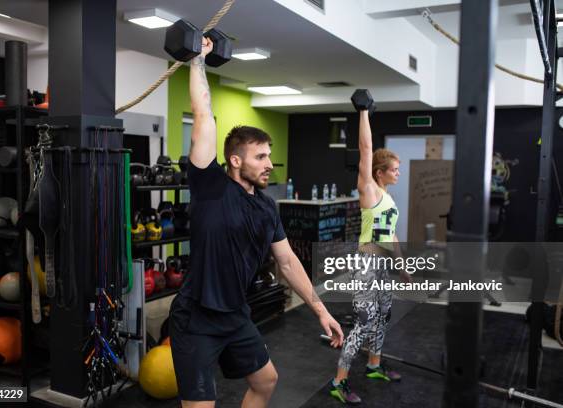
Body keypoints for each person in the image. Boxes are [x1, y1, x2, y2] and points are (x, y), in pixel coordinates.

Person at [169, 36, 344, 408]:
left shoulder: (266, 207)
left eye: (270, 155)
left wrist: (321, 310)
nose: (269, 163)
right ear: (235, 160)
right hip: (196, 318)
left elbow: (288, 261)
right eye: (261, 156)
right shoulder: (210, 186)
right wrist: (197, 60)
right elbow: (202, 115)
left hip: (235, 315)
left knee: (266, 381)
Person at [328, 104, 412, 405]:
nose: (399, 172)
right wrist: (363, 112)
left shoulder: (388, 198)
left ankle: (374, 365)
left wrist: (401, 267)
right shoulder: (370, 191)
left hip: (384, 267)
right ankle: (338, 382)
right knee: (364, 322)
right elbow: (366, 148)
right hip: (367, 266)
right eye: (395, 169)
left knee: (383, 317)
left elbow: (392, 235)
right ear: (380, 172)